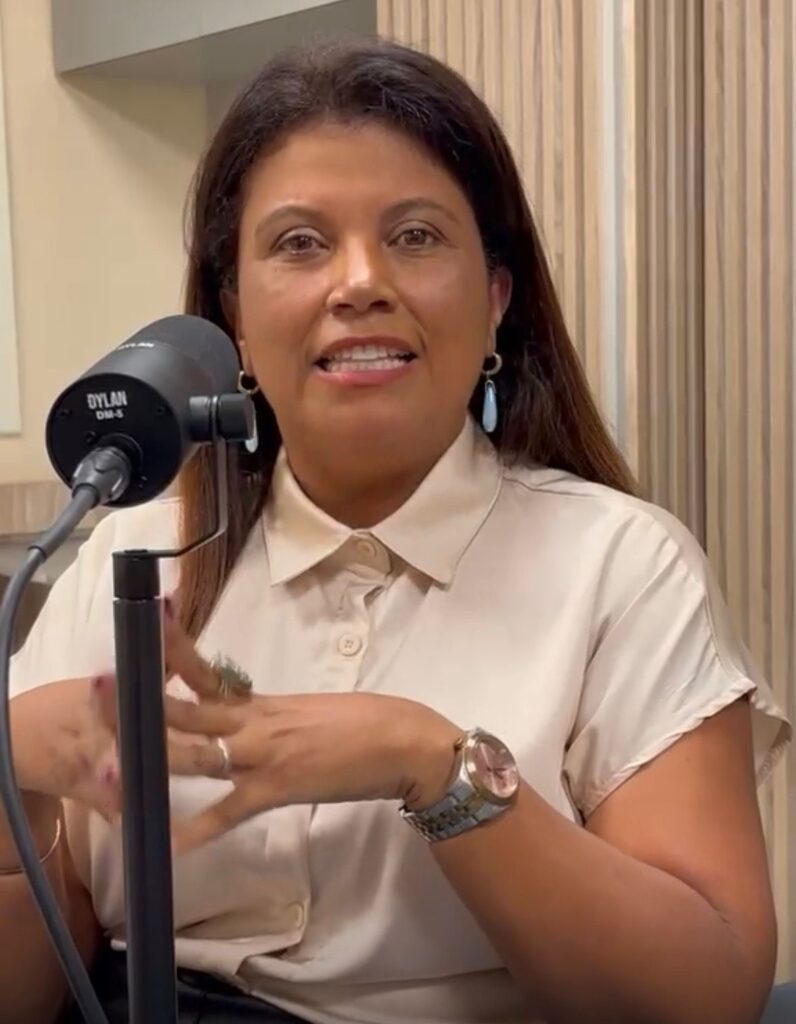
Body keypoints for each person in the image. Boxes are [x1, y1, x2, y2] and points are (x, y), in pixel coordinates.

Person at [3, 36, 791, 1024]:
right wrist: (12, 781)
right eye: (300, 243)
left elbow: (704, 994)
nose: (359, 282)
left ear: (496, 298)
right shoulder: (131, 553)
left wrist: (430, 762)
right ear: (233, 314)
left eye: (416, 236)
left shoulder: (622, 567)